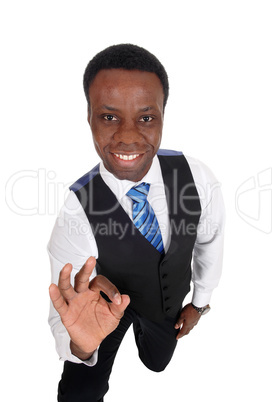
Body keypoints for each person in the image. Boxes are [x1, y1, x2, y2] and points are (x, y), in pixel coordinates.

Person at [48, 43, 225, 402]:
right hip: (102, 309)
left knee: (157, 362)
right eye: (109, 117)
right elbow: (65, 307)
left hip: (167, 306)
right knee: (82, 390)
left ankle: (146, 336)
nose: (128, 136)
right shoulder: (76, 211)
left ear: (162, 116)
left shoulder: (197, 177)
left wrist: (199, 303)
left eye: (146, 118)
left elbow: (210, 240)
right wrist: (81, 346)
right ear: (89, 117)